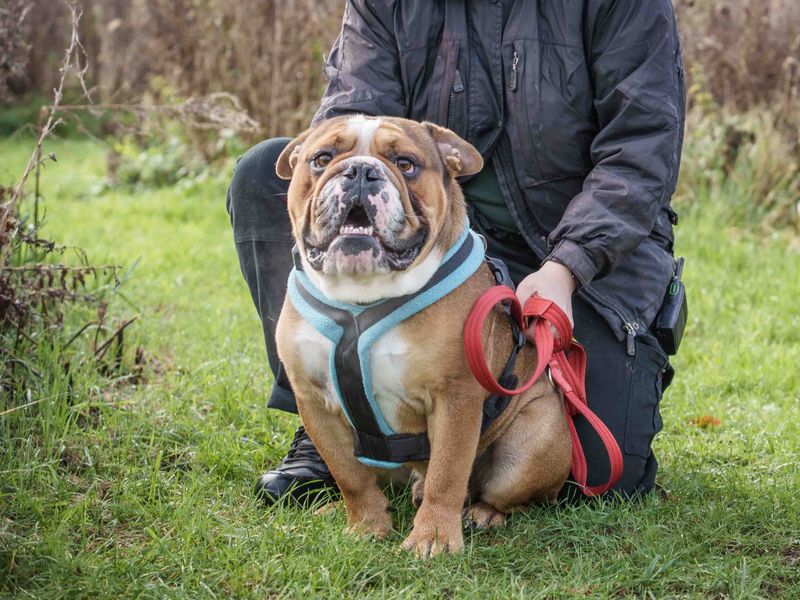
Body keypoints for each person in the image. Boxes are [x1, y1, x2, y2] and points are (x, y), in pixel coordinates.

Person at [226, 0, 685, 503]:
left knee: (595, 472)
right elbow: (351, 117)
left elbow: (640, 150)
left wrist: (568, 266)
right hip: (438, 232)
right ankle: (335, 408)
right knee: (263, 173)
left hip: (580, 251)